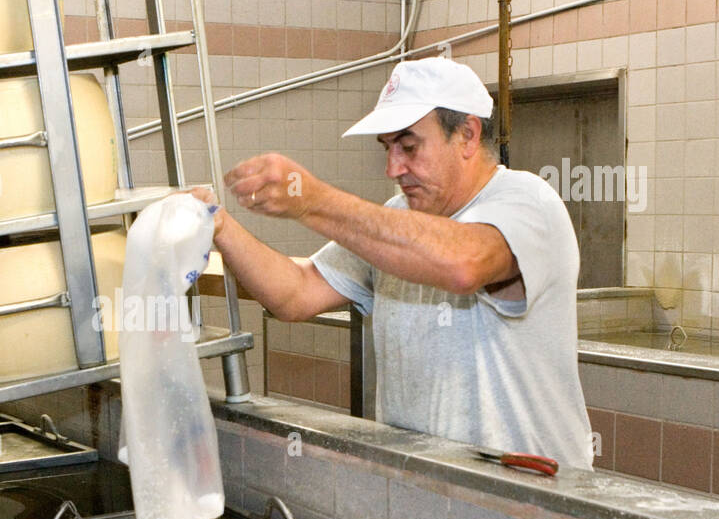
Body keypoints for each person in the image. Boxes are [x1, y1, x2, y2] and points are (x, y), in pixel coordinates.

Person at [192, 56, 593, 469]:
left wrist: (313, 201)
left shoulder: (527, 203)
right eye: (387, 148)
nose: (392, 168)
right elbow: (294, 294)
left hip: (531, 492)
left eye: (409, 146)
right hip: (425, 485)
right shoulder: (398, 217)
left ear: (468, 135)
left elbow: (463, 265)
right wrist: (219, 225)